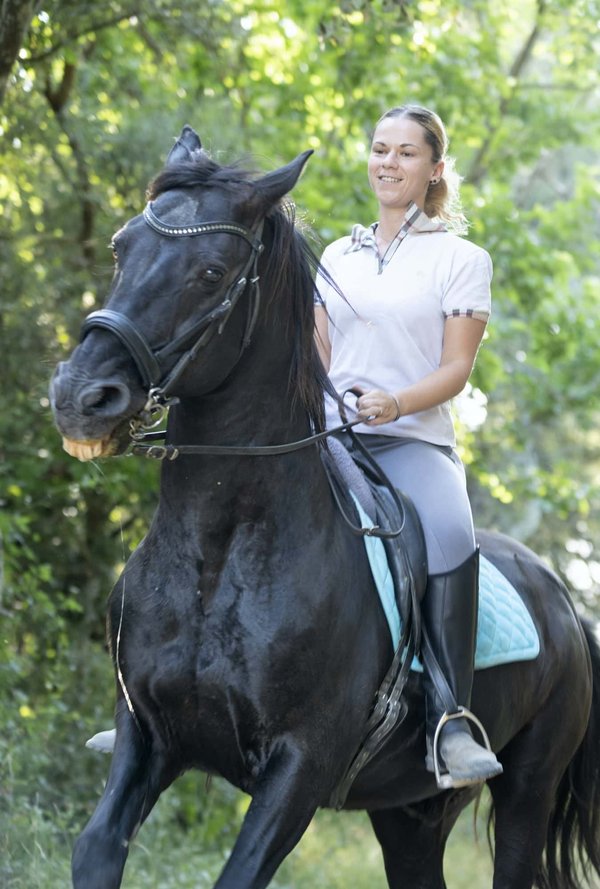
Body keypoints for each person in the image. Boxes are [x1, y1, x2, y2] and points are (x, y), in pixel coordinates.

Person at [315, 103, 503, 789]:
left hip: (410, 441)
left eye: (405, 153)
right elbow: (319, 353)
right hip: (330, 439)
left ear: (434, 169)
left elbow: (456, 368)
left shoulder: (460, 258)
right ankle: (152, 705)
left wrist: (395, 402)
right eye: (379, 149)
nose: (388, 162)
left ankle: (451, 719)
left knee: (452, 529)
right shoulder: (337, 254)